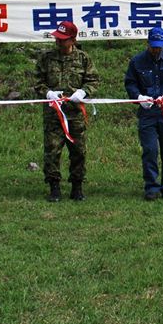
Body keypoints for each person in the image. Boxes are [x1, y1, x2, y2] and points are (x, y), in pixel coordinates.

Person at [34, 20, 100, 202]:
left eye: (63, 39)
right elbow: (38, 81)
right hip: (53, 114)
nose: (59, 41)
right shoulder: (46, 58)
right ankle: (54, 186)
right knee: (52, 150)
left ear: (73, 40)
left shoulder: (83, 59)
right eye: (58, 38)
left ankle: (77, 186)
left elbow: (93, 80)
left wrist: (83, 92)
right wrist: (47, 93)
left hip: (75, 114)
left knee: (78, 151)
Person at [124, 27, 163, 200]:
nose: (156, 50)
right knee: (150, 150)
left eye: (159, 46)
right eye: (153, 46)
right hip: (147, 113)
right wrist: (139, 97)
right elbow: (130, 83)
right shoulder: (137, 62)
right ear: (148, 44)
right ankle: (151, 187)